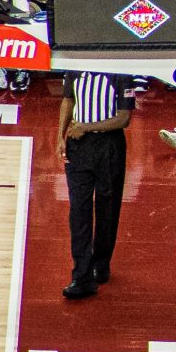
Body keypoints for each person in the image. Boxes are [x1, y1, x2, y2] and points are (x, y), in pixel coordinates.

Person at [59, 68, 133, 302]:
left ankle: (101, 263)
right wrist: (60, 136)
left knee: (107, 207)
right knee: (78, 209)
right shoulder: (75, 68)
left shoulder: (121, 74)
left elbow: (124, 118)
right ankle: (81, 276)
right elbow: (68, 100)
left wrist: (86, 127)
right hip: (78, 144)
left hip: (108, 146)